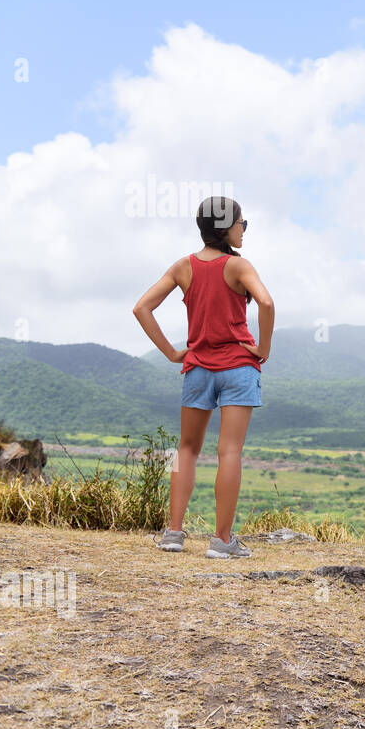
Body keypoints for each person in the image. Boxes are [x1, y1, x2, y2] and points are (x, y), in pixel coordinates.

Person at [132, 196, 275, 558]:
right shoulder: (238, 267)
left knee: (186, 450)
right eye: (243, 223)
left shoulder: (183, 267)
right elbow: (267, 303)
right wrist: (264, 347)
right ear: (226, 226)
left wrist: (171, 352)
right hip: (238, 368)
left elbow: (141, 307)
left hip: (197, 368)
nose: (244, 229)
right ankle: (221, 542)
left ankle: (173, 534)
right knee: (229, 451)